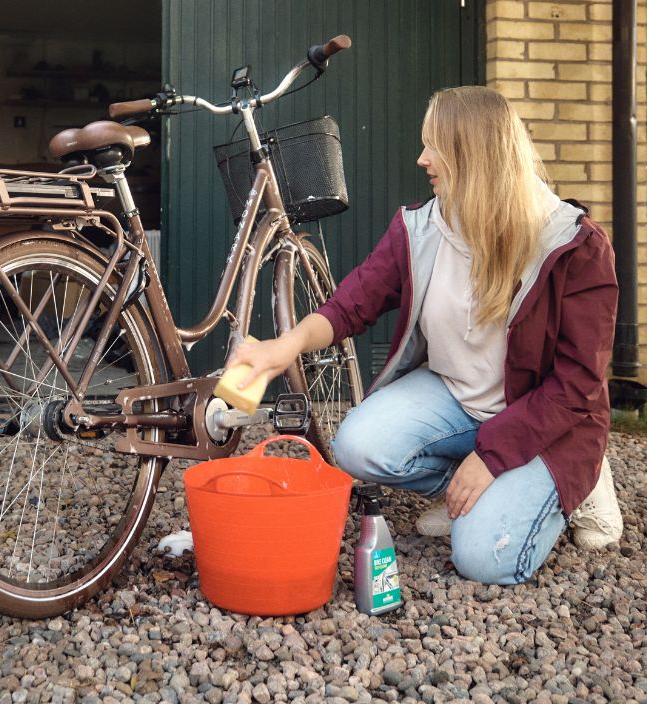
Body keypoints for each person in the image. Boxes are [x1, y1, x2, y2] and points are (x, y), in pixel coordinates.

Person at [230, 86, 624, 585]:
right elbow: (353, 302)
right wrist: (284, 346)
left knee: (484, 559)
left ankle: (575, 487)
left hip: (547, 422)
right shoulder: (422, 229)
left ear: (472, 155)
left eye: (433, 146)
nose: (421, 159)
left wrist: (492, 457)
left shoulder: (574, 247)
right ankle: (470, 487)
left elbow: (576, 386)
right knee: (358, 445)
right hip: (458, 400)